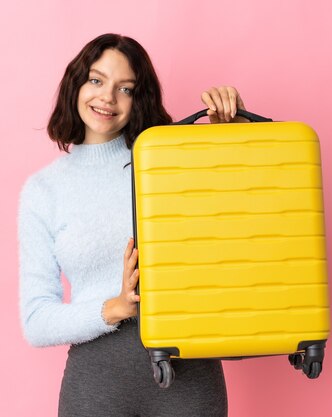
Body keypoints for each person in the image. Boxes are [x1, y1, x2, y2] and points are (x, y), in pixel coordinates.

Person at [18, 33, 247, 417]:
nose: (107, 97)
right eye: (96, 80)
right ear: (76, 84)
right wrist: (115, 307)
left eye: (125, 88)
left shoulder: (172, 161)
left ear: (137, 100)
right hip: (96, 383)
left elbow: (240, 217)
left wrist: (235, 130)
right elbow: (36, 320)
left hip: (188, 375)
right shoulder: (44, 190)